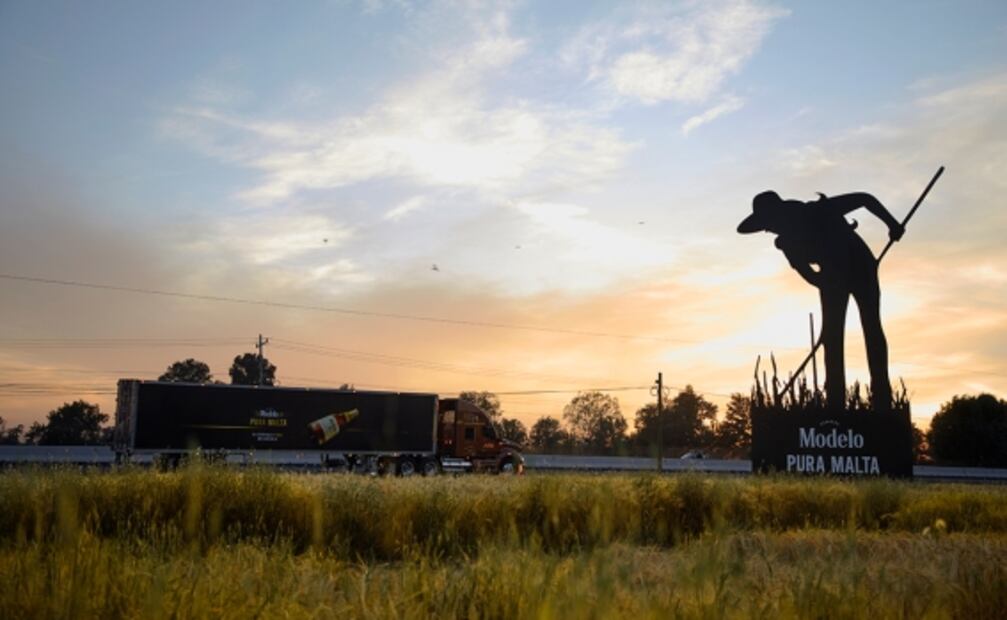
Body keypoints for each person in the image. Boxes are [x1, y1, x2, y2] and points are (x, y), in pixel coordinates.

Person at [738, 190, 904, 411]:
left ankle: (882, 397)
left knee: (871, 326)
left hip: (861, 265)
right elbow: (813, 278)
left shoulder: (817, 210)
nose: (767, 229)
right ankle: (836, 403)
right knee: (832, 337)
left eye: (768, 223)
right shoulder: (788, 244)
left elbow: (864, 199)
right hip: (832, 276)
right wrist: (829, 288)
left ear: (781, 214)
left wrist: (893, 224)